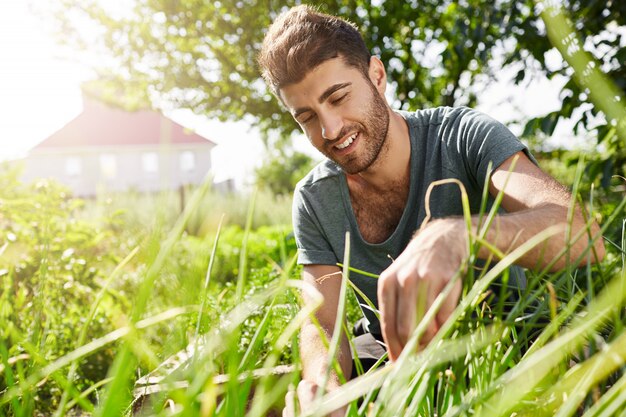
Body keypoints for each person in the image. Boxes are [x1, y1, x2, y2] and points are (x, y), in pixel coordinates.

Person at [257, 5, 605, 416]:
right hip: (396, 356)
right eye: (308, 118)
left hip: (512, 336)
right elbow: (323, 322)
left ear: (376, 75)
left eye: (338, 97)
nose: (330, 130)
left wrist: (460, 234)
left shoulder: (464, 135)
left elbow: (582, 237)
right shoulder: (315, 199)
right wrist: (324, 383)